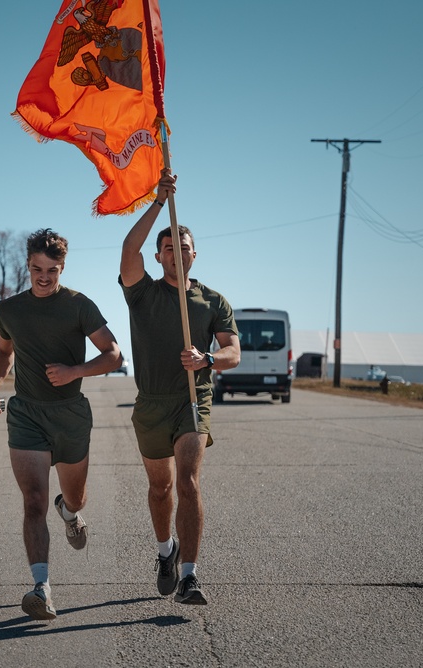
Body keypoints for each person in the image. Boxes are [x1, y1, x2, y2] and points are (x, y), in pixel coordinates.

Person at [0, 228, 122, 621]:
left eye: (52, 270)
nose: (43, 277)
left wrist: (75, 370)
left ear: (63, 268)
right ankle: (41, 588)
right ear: (27, 265)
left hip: (70, 414)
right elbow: (4, 353)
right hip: (27, 414)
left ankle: (71, 512)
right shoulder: (9, 310)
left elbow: (113, 355)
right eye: (36, 269)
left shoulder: (79, 306)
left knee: (73, 498)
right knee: (33, 502)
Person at [119, 170, 241, 605]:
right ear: (159, 256)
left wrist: (208, 359)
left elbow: (233, 352)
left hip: (193, 399)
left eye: (183, 249)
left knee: (188, 482)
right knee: (161, 489)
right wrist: (158, 201)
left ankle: (190, 575)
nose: (177, 254)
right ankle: (165, 552)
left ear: (195, 254)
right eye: (169, 249)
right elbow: (128, 248)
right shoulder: (142, 293)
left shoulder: (212, 301)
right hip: (151, 403)